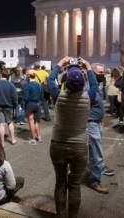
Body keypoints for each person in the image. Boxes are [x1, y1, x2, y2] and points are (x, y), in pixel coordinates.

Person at [48, 57, 90, 218]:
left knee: (60, 182)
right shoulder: (89, 96)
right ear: (83, 83)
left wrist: (59, 64)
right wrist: (88, 68)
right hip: (79, 145)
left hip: (58, 143)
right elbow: (93, 84)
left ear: (66, 81)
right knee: (74, 184)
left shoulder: (58, 95)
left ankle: (60, 214)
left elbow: (51, 80)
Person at [87, 63, 115, 195]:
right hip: (91, 124)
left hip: (96, 122)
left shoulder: (98, 86)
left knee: (93, 152)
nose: (103, 74)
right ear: (92, 73)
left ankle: (95, 171)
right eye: (100, 73)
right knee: (97, 154)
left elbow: (99, 105)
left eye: (103, 72)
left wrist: (100, 119)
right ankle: (95, 181)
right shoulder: (89, 87)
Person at [0, 69, 18, 147]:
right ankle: (13, 139)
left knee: (1, 124)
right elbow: (15, 97)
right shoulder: (11, 85)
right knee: (10, 122)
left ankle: (2, 143)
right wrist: (15, 105)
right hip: (8, 106)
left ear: (0, 75)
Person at [22, 69, 44, 145]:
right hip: (38, 104)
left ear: (28, 76)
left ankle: (33, 138)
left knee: (31, 121)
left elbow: (25, 97)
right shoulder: (39, 85)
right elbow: (42, 96)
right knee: (36, 122)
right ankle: (39, 137)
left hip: (30, 104)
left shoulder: (27, 85)